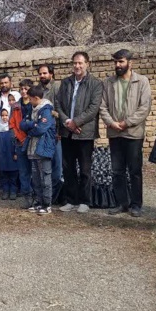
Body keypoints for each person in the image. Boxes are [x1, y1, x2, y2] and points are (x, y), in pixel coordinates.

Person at [99, 49, 152, 217]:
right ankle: (121, 203)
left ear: (130, 63)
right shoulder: (108, 82)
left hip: (133, 133)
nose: (117, 65)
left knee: (135, 171)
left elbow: (145, 107)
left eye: (121, 61)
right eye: (116, 62)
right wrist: (112, 123)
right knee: (117, 171)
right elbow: (102, 106)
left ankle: (136, 204)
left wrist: (126, 122)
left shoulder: (142, 81)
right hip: (115, 133)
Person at [55, 52, 103, 214]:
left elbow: (93, 108)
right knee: (68, 169)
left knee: (84, 169)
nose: (77, 66)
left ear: (87, 64)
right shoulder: (66, 82)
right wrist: (67, 122)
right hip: (67, 132)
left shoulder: (95, 83)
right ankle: (71, 200)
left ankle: (84, 201)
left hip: (85, 133)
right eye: (75, 63)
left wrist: (76, 122)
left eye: (80, 63)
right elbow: (58, 104)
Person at [20, 85, 57, 215]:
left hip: (43, 148)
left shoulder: (46, 110)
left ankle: (47, 205)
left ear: (36, 98)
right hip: (32, 149)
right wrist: (32, 124)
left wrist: (32, 127)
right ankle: (39, 202)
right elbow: (22, 124)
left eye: (30, 99)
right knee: (35, 178)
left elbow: (42, 128)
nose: (29, 101)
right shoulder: (31, 109)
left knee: (45, 177)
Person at [36, 65, 64, 206]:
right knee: (43, 169)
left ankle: (54, 197)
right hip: (41, 135)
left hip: (55, 134)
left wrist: (59, 131)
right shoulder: (37, 90)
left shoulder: (58, 88)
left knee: (57, 169)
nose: (42, 76)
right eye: (40, 73)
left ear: (51, 74)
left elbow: (61, 111)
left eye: (45, 73)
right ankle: (46, 199)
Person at [10, 80, 34, 205]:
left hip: (34, 141)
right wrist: (18, 137)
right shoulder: (15, 106)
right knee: (24, 172)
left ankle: (38, 197)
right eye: (22, 89)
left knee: (35, 171)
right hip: (20, 142)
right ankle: (27, 197)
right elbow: (12, 124)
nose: (24, 91)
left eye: (26, 89)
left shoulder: (35, 104)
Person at [0, 108, 19, 200]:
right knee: (4, 175)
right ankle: (6, 191)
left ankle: (13, 191)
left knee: (13, 175)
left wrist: (16, 152)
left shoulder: (13, 128)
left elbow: (17, 142)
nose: (4, 117)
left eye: (6, 115)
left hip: (12, 155)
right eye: (2, 115)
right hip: (2, 155)